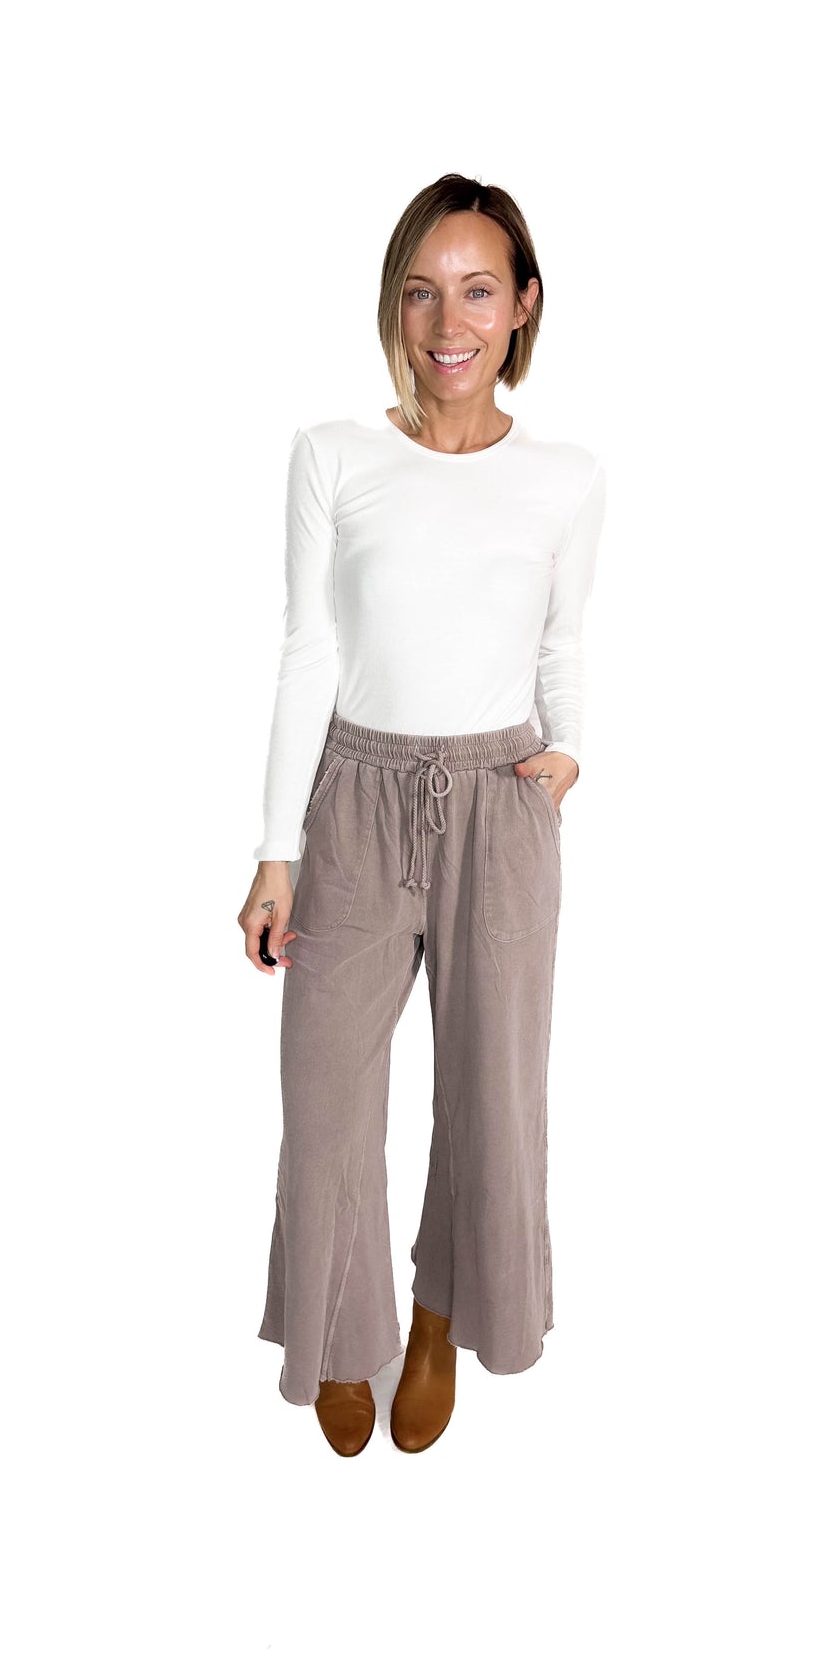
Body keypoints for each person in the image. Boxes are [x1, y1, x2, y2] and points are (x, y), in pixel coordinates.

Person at [239, 172, 607, 1456]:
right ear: (395, 305)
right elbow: (308, 651)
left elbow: (562, 640)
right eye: (421, 291)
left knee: (492, 1094)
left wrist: (570, 753)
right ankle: (348, 1336)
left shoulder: (565, 477)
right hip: (355, 795)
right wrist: (276, 850)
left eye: (478, 291)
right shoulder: (335, 456)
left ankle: (441, 1312)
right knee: (325, 1100)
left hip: (502, 802)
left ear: (523, 307)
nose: (448, 322)